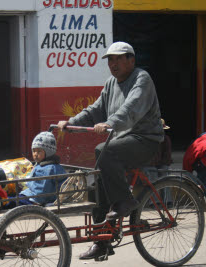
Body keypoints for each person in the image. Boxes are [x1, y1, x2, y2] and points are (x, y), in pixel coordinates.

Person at [57, 41, 164, 260]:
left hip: (145, 139)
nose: (113, 64)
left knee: (103, 151)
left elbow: (131, 107)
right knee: (97, 186)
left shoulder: (141, 79)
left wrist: (110, 123)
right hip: (122, 139)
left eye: (118, 59)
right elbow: (96, 108)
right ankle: (101, 242)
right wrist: (71, 123)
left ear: (131, 60)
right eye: (110, 60)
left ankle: (125, 201)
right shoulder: (111, 83)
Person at [7, 131, 66, 207]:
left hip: (36, 199)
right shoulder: (41, 164)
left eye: (39, 151)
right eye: (34, 151)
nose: (35, 154)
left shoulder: (49, 168)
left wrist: (37, 201)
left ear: (48, 152)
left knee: (13, 202)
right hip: (32, 194)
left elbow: (42, 189)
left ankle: (2, 202)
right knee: (13, 197)